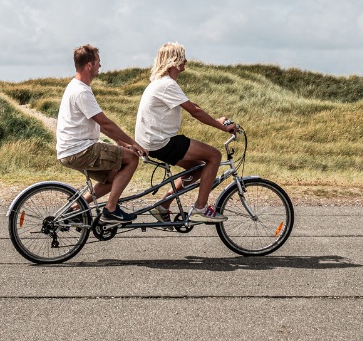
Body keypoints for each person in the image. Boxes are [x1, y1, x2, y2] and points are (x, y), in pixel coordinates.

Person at [134, 42, 238, 223]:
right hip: (160, 141)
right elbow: (194, 111)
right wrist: (221, 126)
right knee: (214, 156)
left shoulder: (161, 83)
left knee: (196, 167)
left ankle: (163, 206)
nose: (186, 61)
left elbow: (194, 107)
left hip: (152, 141)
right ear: (174, 61)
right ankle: (200, 208)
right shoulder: (167, 84)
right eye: (182, 57)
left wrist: (217, 121)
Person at [56, 44, 148, 224]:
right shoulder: (82, 91)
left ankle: (76, 209)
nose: (100, 66)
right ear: (89, 65)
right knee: (131, 159)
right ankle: (111, 210)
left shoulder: (75, 87)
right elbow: (105, 122)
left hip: (71, 150)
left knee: (114, 177)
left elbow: (100, 125)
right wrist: (133, 144)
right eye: (98, 62)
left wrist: (121, 142)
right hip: (81, 150)